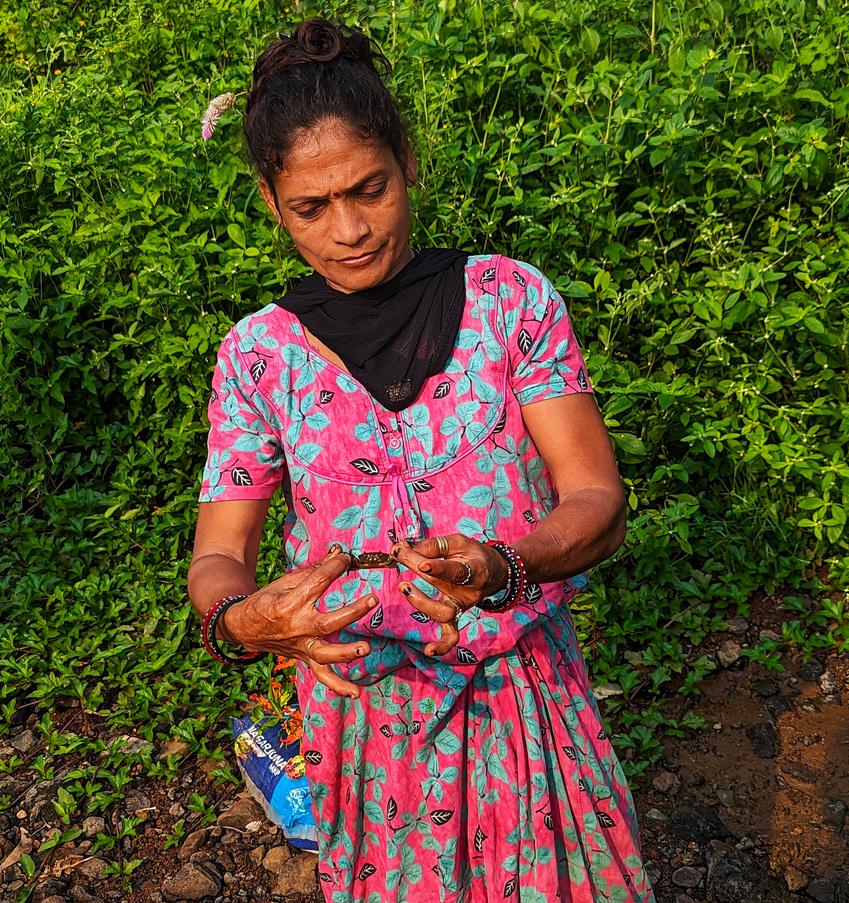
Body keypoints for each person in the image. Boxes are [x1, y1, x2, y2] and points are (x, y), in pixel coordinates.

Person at [189, 18, 655, 902]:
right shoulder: (259, 357)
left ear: (407, 159)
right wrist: (242, 622)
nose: (350, 229)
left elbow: (595, 495)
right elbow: (220, 554)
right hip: (364, 725)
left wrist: (507, 563)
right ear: (269, 202)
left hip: (523, 700)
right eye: (311, 208)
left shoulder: (508, 300)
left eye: (369, 188)